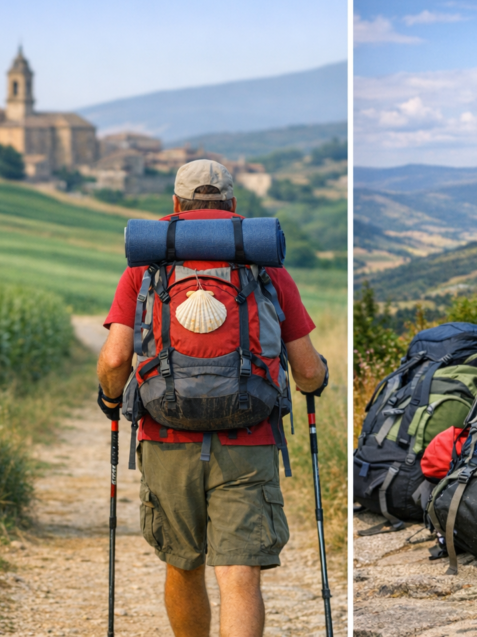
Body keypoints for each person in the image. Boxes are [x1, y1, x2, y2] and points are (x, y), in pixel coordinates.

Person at [96, 159, 328, 637]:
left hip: (166, 434)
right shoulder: (264, 264)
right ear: (233, 207)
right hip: (248, 438)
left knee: (182, 564)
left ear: (176, 205)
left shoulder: (147, 265)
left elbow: (116, 359)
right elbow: (306, 370)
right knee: (240, 575)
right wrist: (317, 381)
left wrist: (109, 399)